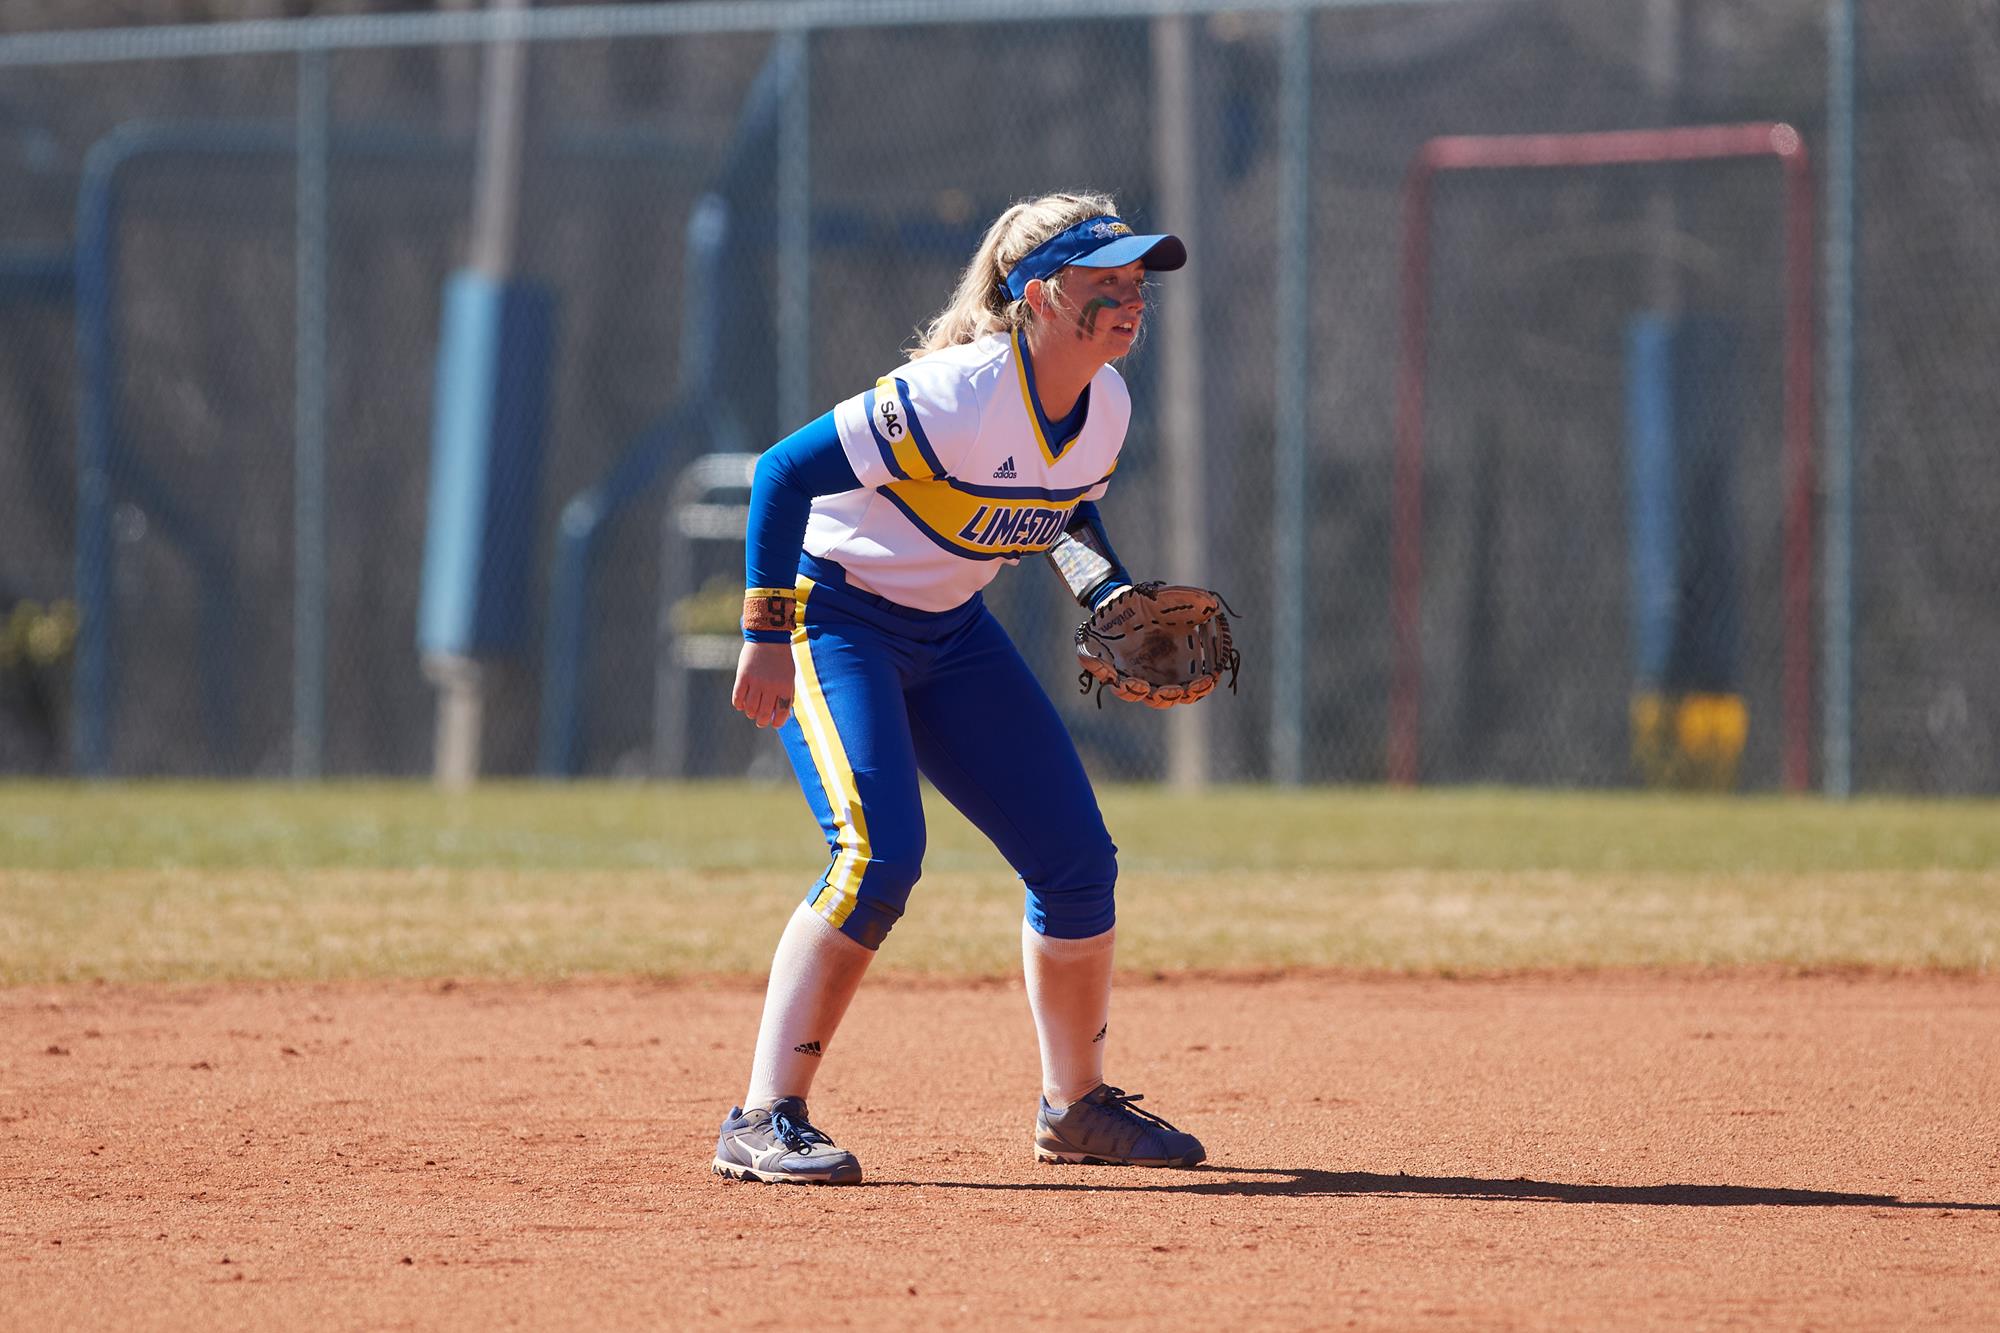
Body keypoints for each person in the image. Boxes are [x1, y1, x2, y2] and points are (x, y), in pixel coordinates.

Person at [713, 191, 1206, 1185]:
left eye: (1134, 280)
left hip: (950, 633)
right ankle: (762, 1115)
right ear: (1036, 295)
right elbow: (780, 473)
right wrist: (764, 631)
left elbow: (1059, 515)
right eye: (1102, 280)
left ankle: (1074, 1109)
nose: (1129, 297)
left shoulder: (1103, 403)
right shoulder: (956, 391)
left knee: (1074, 861)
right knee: (877, 855)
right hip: (836, 617)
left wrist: (1105, 594)